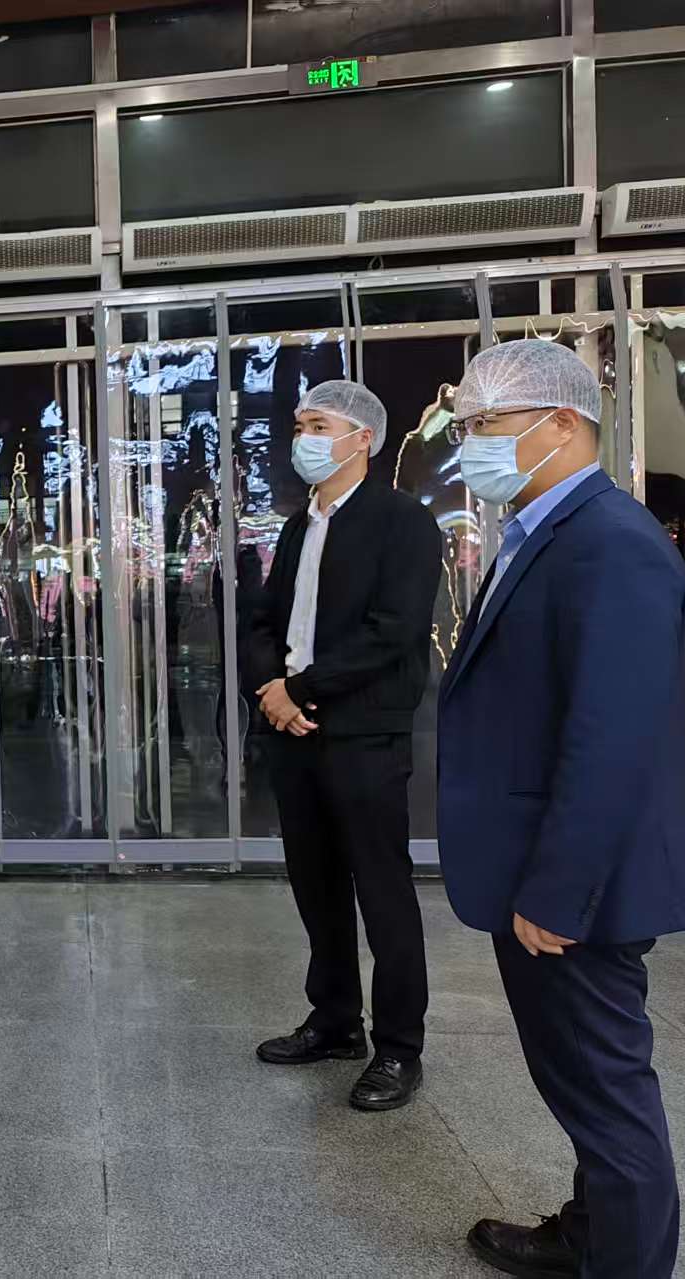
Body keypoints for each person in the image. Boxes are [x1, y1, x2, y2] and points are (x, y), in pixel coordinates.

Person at [439, 340, 685, 1279]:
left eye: (486, 423)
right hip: (544, 865)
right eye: (467, 426)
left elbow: (612, 738)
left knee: (608, 1098)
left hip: (577, 889)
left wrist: (558, 890)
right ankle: (588, 1234)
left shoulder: (612, 543)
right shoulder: (545, 528)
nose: (471, 443)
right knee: (584, 1085)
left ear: (562, 422)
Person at [245, 379, 442, 1111]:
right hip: (293, 733)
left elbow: (394, 631)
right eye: (301, 425)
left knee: (381, 892)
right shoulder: (299, 526)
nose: (304, 437)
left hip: (363, 733)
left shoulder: (403, 522)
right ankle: (334, 1021)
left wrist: (303, 689)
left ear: (363, 439)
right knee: (317, 886)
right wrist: (270, 688)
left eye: (319, 425)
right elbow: (265, 621)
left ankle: (399, 1048)